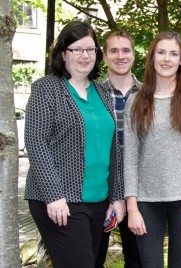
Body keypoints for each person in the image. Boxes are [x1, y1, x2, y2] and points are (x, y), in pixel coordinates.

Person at [24, 20, 125, 267]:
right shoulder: (46, 88)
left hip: (100, 201)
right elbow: (35, 142)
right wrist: (54, 195)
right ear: (62, 53)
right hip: (61, 202)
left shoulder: (101, 93)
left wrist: (117, 197)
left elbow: (114, 149)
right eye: (76, 49)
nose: (84, 55)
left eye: (90, 49)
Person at [123, 31, 181, 268]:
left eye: (174, 54)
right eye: (161, 52)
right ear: (152, 57)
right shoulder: (136, 100)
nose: (167, 59)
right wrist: (132, 207)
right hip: (146, 202)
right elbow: (129, 158)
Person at [96, 29, 142, 268]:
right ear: (104, 56)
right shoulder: (91, 93)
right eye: (113, 51)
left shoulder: (149, 95)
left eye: (126, 50)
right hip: (101, 186)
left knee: (139, 259)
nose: (120, 56)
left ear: (134, 55)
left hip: (141, 188)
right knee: (93, 256)